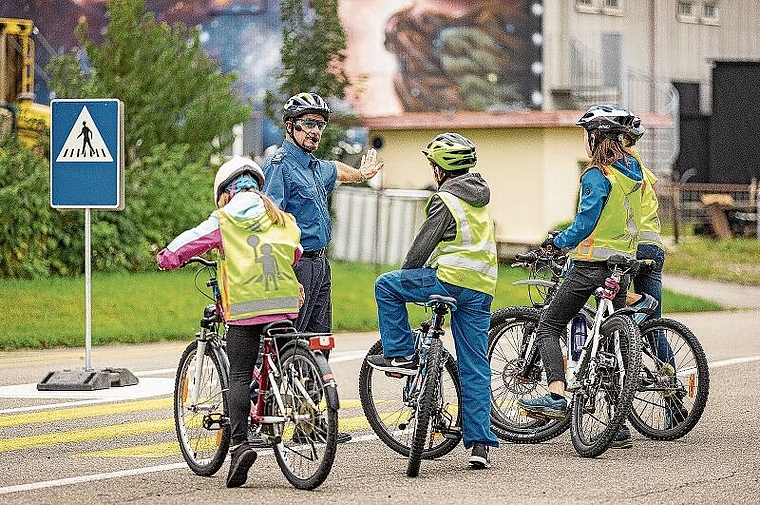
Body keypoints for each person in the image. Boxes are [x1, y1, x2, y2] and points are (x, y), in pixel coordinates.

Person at [157, 156, 304, 488]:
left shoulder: (225, 218)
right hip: (284, 301)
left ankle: (239, 447)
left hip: (247, 306)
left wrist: (166, 257)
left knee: (238, 373)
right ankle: (290, 397)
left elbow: (189, 242)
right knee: (277, 355)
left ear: (225, 193)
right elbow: (294, 253)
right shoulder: (280, 217)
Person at [366, 132, 499, 469]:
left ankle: (400, 355)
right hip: (482, 287)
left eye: (432, 164)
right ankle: (480, 444)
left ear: (441, 168)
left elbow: (421, 248)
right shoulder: (480, 196)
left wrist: (408, 271)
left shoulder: (446, 198)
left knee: (387, 286)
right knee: (475, 364)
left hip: (449, 280)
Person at [517, 105, 645, 449]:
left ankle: (556, 396)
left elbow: (586, 223)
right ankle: (616, 425)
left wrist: (557, 243)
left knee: (549, 325)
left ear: (595, 138)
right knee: (612, 341)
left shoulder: (596, 175)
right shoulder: (633, 171)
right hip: (622, 264)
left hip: (590, 264)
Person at [261, 92, 383, 444]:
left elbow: (336, 169)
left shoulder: (315, 166)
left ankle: (307, 424)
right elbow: (272, 220)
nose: (316, 131)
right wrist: (285, 271)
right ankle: (269, 420)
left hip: (320, 264)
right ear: (290, 127)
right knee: (285, 343)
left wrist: (361, 174)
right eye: (309, 124)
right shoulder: (279, 165)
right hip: (295, 265)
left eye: (320, 125)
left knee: (318, 344)